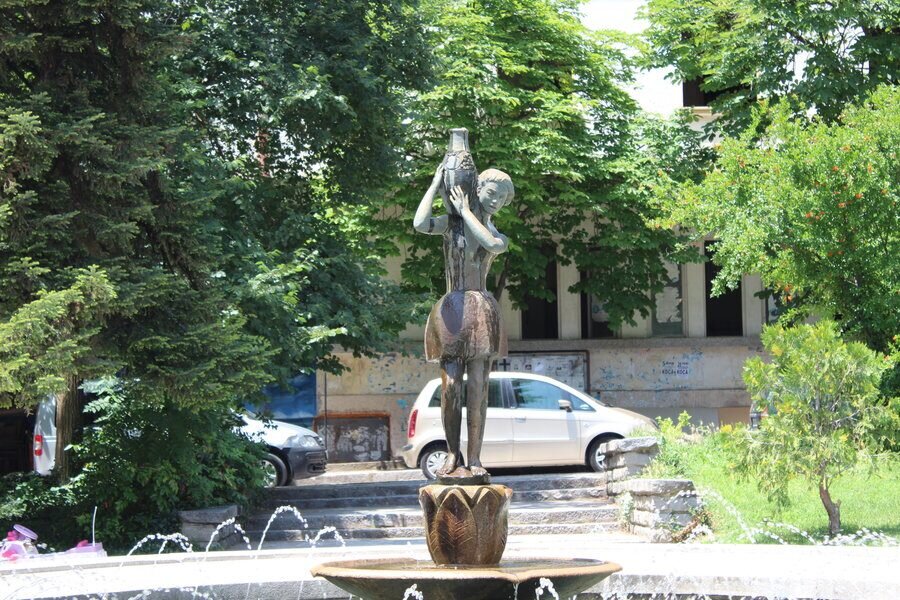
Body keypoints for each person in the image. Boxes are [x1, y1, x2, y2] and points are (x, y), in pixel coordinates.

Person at [413, 162, 513, 481]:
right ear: (478, 188)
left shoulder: (496, 234)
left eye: (503, 198)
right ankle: (452, 453)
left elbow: (491, 244)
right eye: (492, 193)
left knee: (478, 389)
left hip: (481, 309)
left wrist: (466, 211)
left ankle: (475, 457)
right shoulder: (451, 225)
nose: (496, 200)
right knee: (451, 387)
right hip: (453, 308)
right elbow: (419, 223)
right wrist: (434, 185)